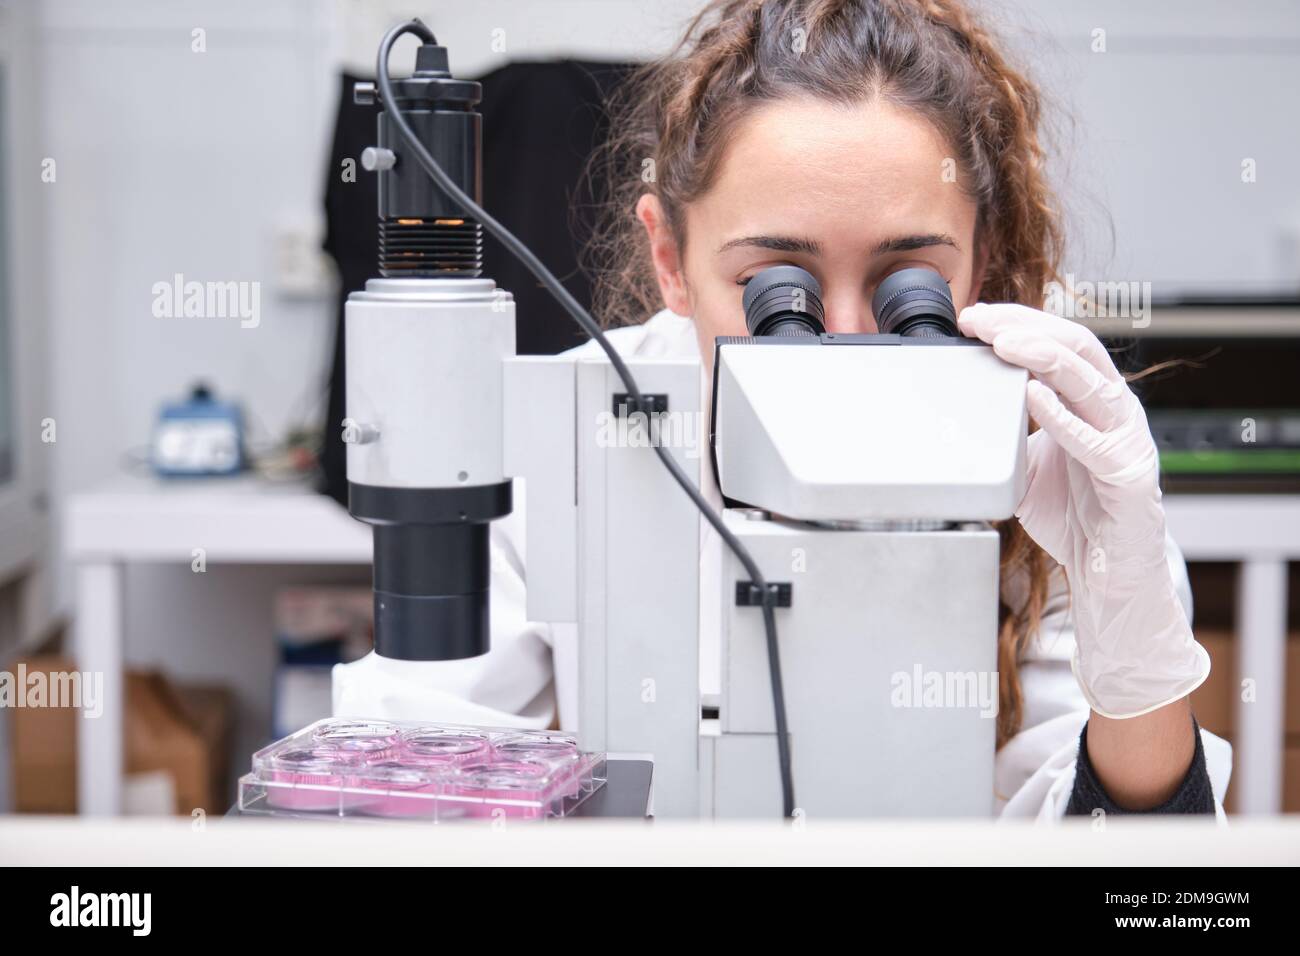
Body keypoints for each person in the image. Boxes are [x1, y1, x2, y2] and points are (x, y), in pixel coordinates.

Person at [335, 0, 1231, 819]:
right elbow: (423, 789)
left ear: (980, 262)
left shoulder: (1050, 467)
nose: (840, 346)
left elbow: (1159, 901)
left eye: (901, 285)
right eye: (776, 290)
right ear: (670, 260)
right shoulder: (566, 440)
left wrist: (1137, 666)